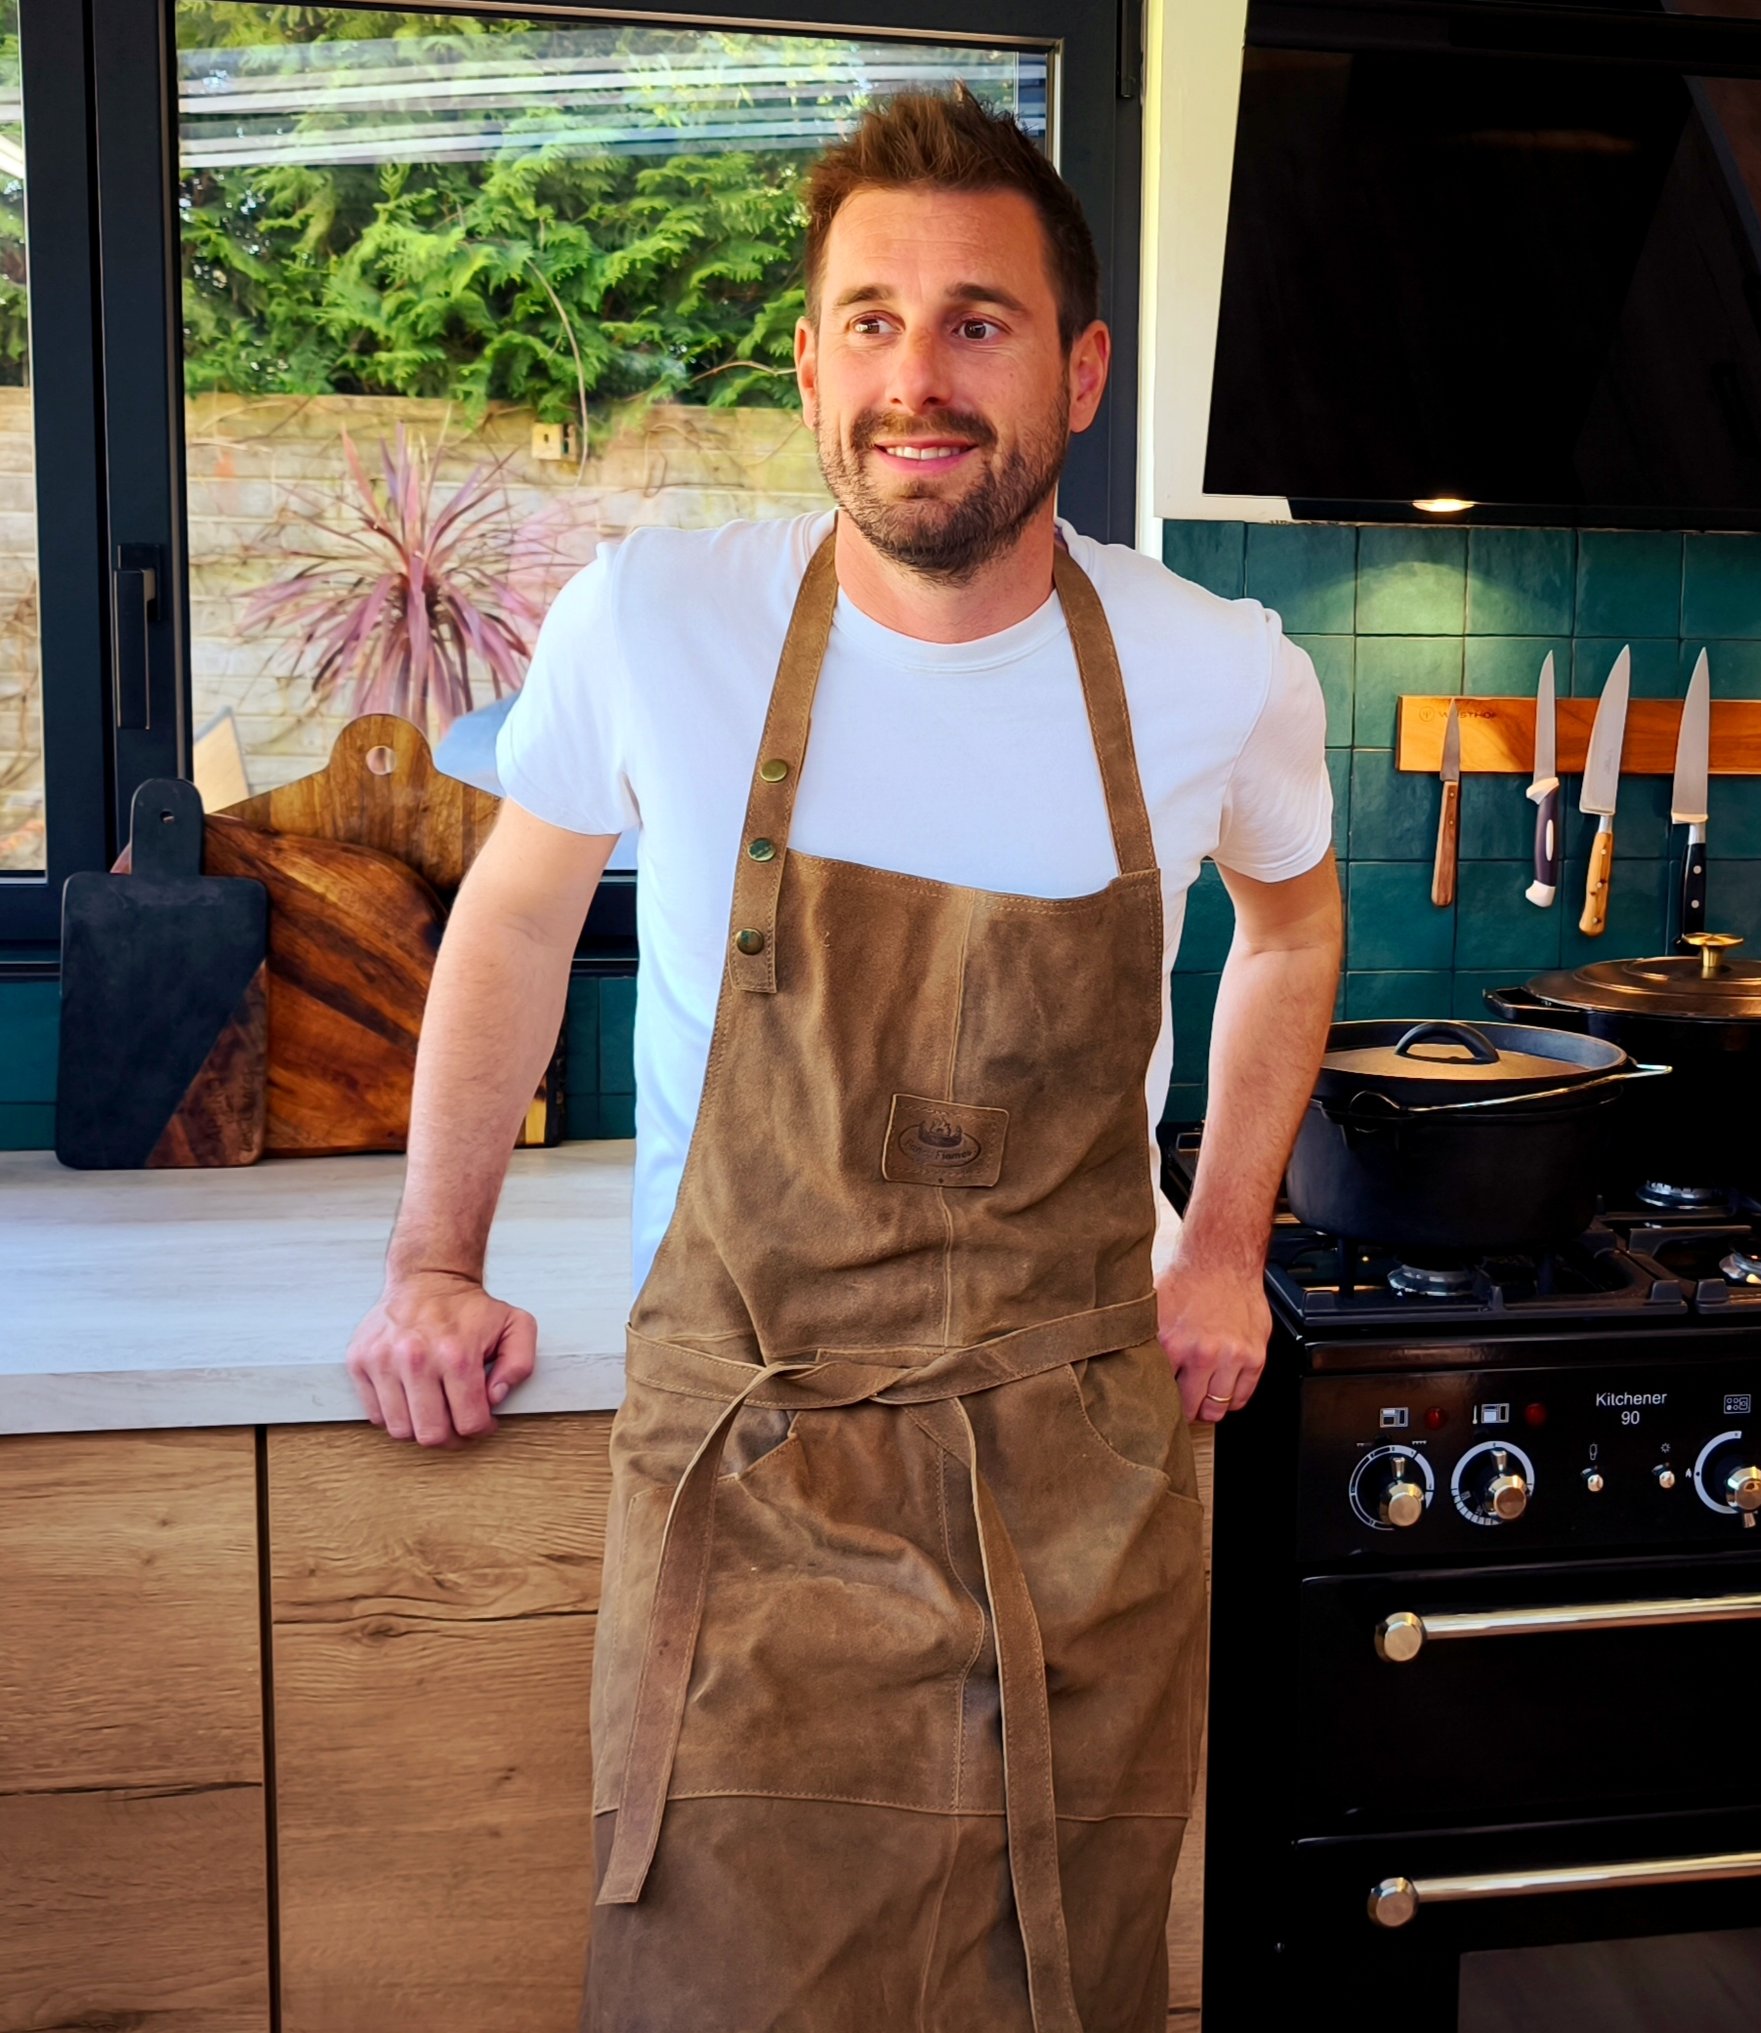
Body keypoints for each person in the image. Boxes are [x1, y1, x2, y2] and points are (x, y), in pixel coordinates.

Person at [344, 88, 1341, 2032]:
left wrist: (1220, 1239)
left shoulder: (1217, 663)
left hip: (1080, 1491)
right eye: (870, 322)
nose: (918, 376)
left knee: (1064, 1988)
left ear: (1077, 365)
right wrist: (432, 1261)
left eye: (977, 319)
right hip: (758, 1492)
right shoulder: (656, 622)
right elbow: (517, 919)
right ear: (808, 363)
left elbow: (1290, 928)